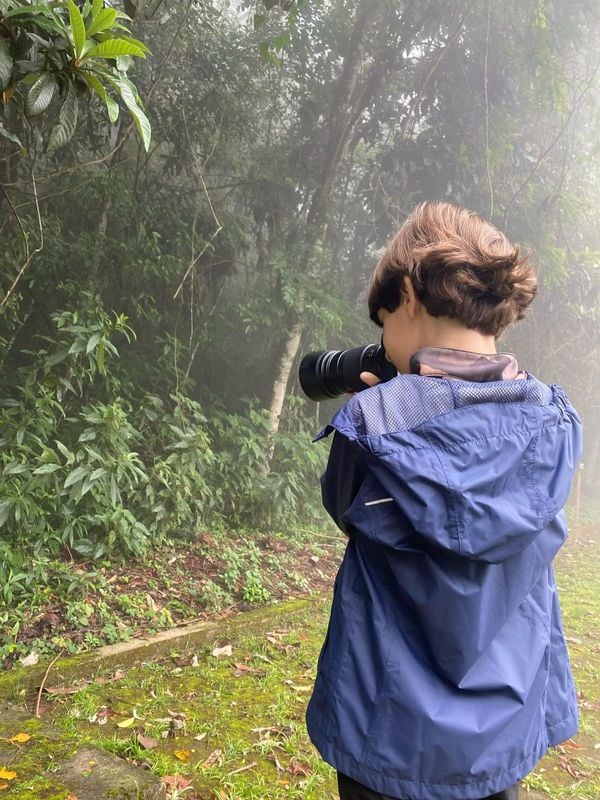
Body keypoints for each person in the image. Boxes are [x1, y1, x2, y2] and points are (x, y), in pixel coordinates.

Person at [305, 201, 583, 800]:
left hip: (389, 728)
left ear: (407, 295)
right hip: (504, 724)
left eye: (383, 326)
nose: (382, 345)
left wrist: (390, 407)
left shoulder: (375, 419)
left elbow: (344, 504)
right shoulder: (552, 422)